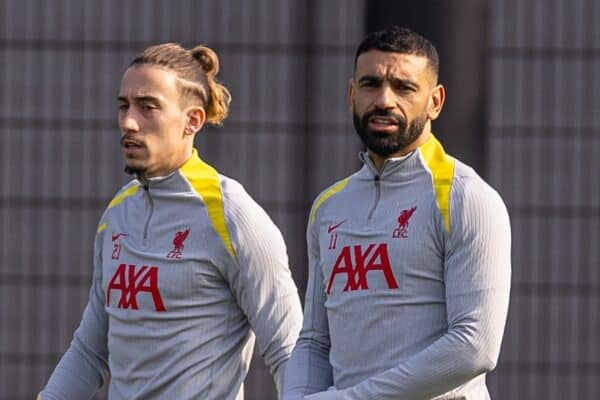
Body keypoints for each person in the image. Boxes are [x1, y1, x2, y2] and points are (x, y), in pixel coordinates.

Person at [39, 43, 303, 400]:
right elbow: (89, 352)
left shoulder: (233, 216)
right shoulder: (116, 216)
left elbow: (288, 350)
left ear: (192, 121)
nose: (129, 122)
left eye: (148, 107)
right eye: (123, 106)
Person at [283, 26, 511, 400]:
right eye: (371, 84)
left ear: (435, 101)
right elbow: (313, 341)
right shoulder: (329, 207)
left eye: (404, 87)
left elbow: (475, 347)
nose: (384, 100)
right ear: (352, 94)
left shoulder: (466, 198)